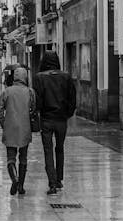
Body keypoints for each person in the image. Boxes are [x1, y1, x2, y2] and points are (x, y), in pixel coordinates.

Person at [34, 50, 77, 195]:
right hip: (61, 120)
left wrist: (39, 112)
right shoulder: (66, 77)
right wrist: (67, 114)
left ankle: (52, 183)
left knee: (48, 150)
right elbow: (72, 98)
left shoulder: (39, 78)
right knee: (60, 148)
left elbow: (37, 100)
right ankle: (59, 179)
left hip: (46, 119)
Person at [0, 68, 35, 195]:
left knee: (10, 158)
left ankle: (15, 179)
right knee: (23, 158)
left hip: (10, 128)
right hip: (25, 128)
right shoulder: (30, 92)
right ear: (25, 77)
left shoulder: (6, 91)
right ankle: (21, 186)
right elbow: (33, 110)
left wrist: (5, 124)